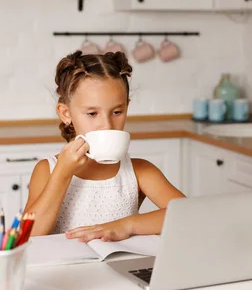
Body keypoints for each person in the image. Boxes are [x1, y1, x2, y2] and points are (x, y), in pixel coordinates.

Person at [24, 50, 185, 242]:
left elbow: (188, 215)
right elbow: (27, 237)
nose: (107, 125)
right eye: (92, 114)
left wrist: (126, 225)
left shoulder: (140, 171)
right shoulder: (47, 170)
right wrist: (62, 173)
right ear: (66, 113)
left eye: (117, 112)